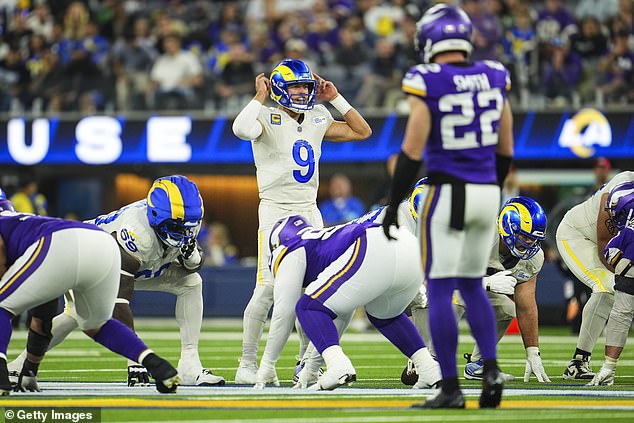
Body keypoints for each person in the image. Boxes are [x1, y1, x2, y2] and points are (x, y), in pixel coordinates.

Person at [381, 4, 514, 409]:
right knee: (472, 284)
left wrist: (393, 204)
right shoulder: (494, 75)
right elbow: (506, 148)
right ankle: (490, 369)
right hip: (487, 193)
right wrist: (489, 188)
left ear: (429, 39)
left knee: (440, 289)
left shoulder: (426, 78)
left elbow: (412, 148)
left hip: (447, 191)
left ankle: (451, 388)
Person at [8, 175, 225, 387]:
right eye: (178, 226)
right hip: (88, 260)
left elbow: (193, 264)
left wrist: (192, 257)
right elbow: (119, 300)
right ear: (157, 215)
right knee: (77, 314)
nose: (184, 232)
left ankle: (190, 365)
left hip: (140, 266)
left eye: (188, 226)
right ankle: (19, 365)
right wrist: (136, 361)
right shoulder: (137, 232)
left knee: (191, 282)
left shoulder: (184, 221)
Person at [231, 58, 372, 384]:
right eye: (295, 85)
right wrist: (258, 97)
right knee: (268, 289)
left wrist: (335, 97)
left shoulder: (318, 116)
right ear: (279, 87)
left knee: (315, 288)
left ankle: (303, 362)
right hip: (275, 210)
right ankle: (247, 364)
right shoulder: (264, 115)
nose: (301, 92)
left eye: (305, 86)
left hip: (309, 210)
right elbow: (240, 129)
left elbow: (362, 131)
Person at [0, 196, 179, 395]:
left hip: (60, 243)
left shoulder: (9, 226)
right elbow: (43, 314)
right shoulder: (21, 221)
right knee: (96, 325)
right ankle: (158, 366)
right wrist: (30, 372)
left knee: (2, 306)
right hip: (102, 242)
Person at [253, 215, 441, 390]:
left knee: (307, 306)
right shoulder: (322, 240)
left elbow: (284, 312)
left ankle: (338, 366)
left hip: (374, 243)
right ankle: (429, 369)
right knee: (385, 316)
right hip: (409, 245)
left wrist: (267, 364)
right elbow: (343, 309)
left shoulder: (290, 247)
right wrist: (310, 369)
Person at [402, 196, 551, 385]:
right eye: (524, 237)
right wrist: (486, 283)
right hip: (426, 284)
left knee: (507, 308)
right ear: (507, 226)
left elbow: (527, 305)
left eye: (534, 239)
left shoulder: (533, 257)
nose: (530, 244)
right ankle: (427, 358)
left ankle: (479, 364)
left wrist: (533, 351)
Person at [556, 171, 634, 380]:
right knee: (606, 287)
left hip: (606, 242)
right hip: (577, 235)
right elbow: (604, 245)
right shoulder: (621, 186)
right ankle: (578, 362)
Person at [588, 183, 634, 386]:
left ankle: (608, 368)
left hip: (629, 261)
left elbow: (611, 252)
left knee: (621, 312)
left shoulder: (625, 235)